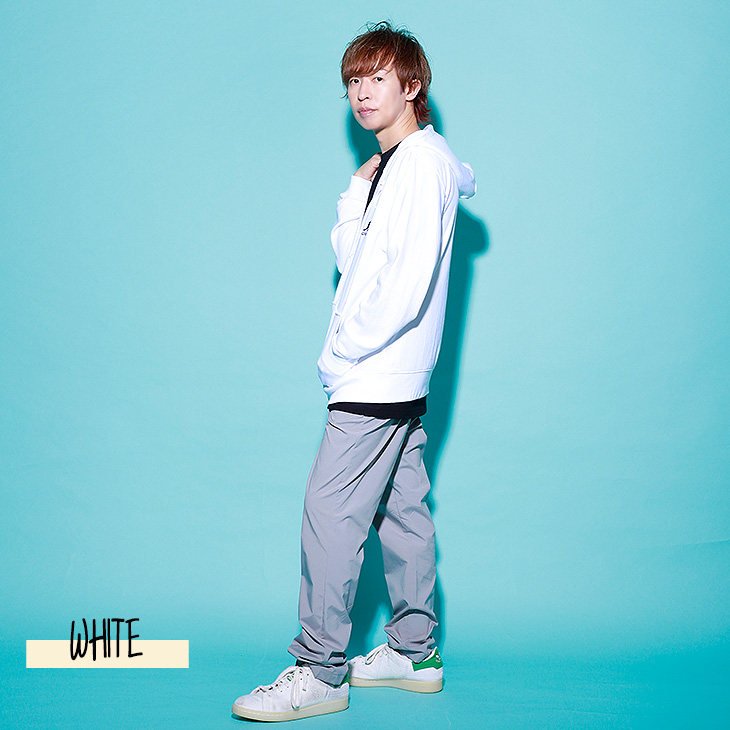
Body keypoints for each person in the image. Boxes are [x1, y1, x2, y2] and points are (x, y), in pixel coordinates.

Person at [232, 20, 476, 722]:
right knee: (402, 513)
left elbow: (401, 287)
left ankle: (320, 670)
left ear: (412, 84)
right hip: (395, 377)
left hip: (375, 375)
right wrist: (354, 193)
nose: (362, 92)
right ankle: (413, 652)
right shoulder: (396, 167)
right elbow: (359, 262)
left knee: (329, 515)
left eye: (377, 78)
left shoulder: (420, 165)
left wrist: (346, 351)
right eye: (353, 82)